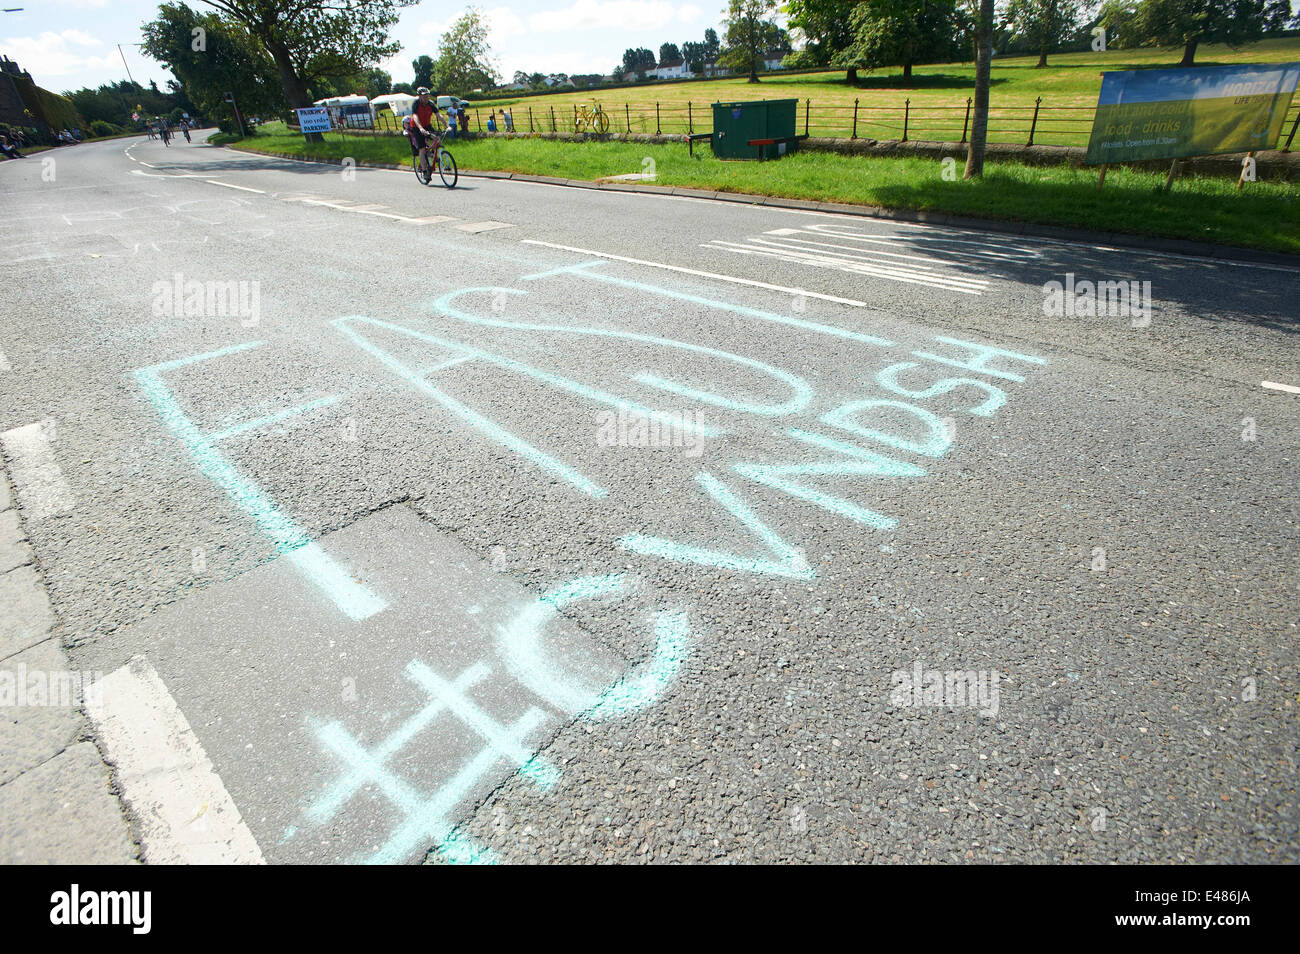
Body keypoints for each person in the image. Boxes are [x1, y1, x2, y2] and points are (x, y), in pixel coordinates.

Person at [406, 87, 444, 174]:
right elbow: (415, 116)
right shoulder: (416, 104)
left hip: (427, 125)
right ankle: (424, 171)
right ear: (419, 96)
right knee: (422, 149)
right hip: (416, 126)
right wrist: (420, 128)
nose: (426, 98)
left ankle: (431, 153)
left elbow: (439, 115)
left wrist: (447, 125)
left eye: (427, 96)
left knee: (437, 138)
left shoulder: (430, 104)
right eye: (424, 96)